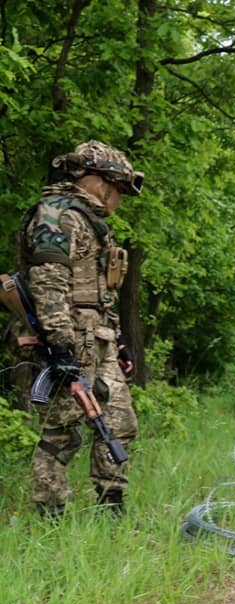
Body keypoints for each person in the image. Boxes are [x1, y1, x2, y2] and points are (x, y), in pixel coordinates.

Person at [15, 140, 144, 517]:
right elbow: (48, 284)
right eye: (116, 187)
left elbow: (101, 294)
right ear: (97, 180)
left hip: (100, 340)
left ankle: (111, 509)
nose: (118, 197)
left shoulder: (92, 223)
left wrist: (119, 341)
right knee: (62, 433)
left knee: (120, 424)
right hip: (69, 341)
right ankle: (50, 516)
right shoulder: (56, 217)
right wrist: (60, 348)